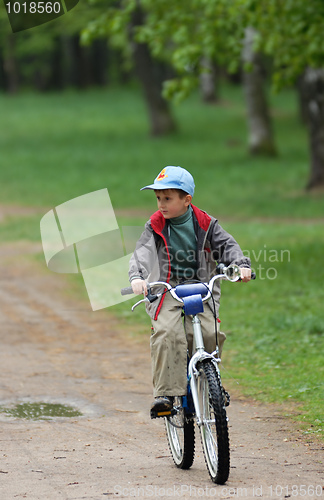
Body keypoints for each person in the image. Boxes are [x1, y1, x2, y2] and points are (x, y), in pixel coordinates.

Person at [128, 166, 251, 414]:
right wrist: (137, 276)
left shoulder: (206, 224)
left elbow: (228, 246)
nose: (161, 204)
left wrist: (240, 265)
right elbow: (141, 253)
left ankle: (210, 385)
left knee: (209, 333)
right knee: (167, 333)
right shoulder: (155, 225)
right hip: (166, 289)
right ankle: (165, 394)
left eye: (167, 198)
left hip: (201, 287)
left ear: (187, 200)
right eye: (158, 198)